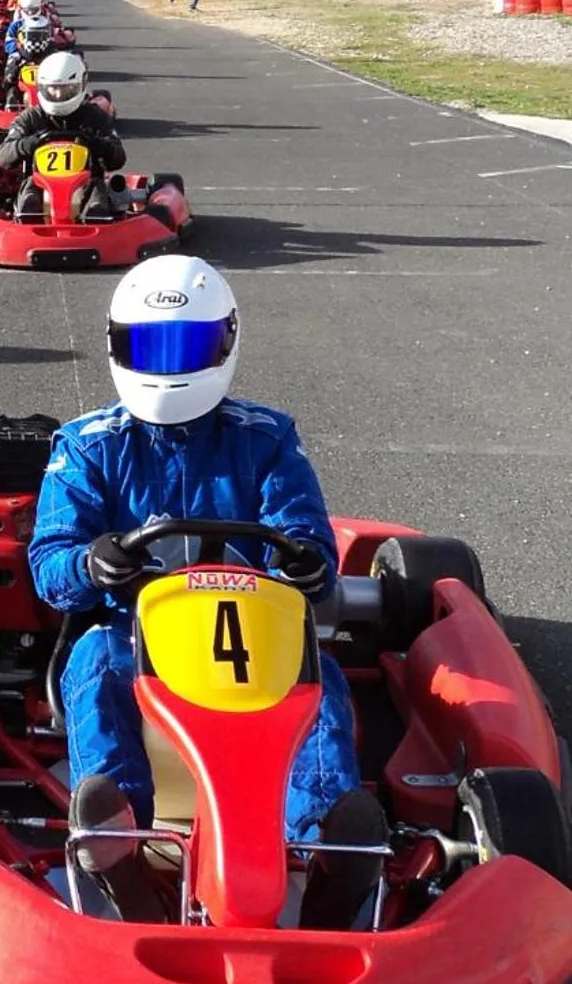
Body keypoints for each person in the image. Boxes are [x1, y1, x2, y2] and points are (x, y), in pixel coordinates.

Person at [28, 255, 386, 927]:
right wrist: (93, 563)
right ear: (118, 347)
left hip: (252, 636)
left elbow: (305, 534)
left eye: (186, 346)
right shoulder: (87, 445)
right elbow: (51, 564)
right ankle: (118, 838)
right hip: (135, 636)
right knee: (94, 662)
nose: (169, 366)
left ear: (225, 342)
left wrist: (307, 564)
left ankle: (326, 845)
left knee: (320, 676)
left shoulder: (266, 437)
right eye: (151, 348)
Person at [0, 50, 125, 219]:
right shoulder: (31, 117)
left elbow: (118, 159)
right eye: (53, 89)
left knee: (97, 199)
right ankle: (29, 218)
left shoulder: (95, 116)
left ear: (80, 85)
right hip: (40, 185)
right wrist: (28, 144)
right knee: (30, 196)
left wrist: (97, 144)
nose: (58, 95)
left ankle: (96, 221)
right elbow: (3, 156)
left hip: (86, 184)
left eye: (66, 89)